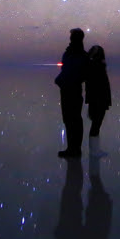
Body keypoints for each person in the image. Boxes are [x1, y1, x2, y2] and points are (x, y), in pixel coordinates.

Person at [54, 28, 87, 158]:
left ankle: (75, 150)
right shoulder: (71, 53)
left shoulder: (80, 54)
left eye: (72, 36)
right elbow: (66, 69)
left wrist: (70, 80)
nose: (70, 38)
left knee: (74, 120)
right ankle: (71, 149)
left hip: (73, 91)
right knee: (68, 120)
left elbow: (82, 73)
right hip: (67, 90)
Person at [84, 44, 111, 158]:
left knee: (96, 125)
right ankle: (94, 151)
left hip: (97, 99)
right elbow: (97, 85)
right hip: (98, 99)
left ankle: (95, 150)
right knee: (96, 125)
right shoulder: (96, 66)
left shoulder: (94, 65)